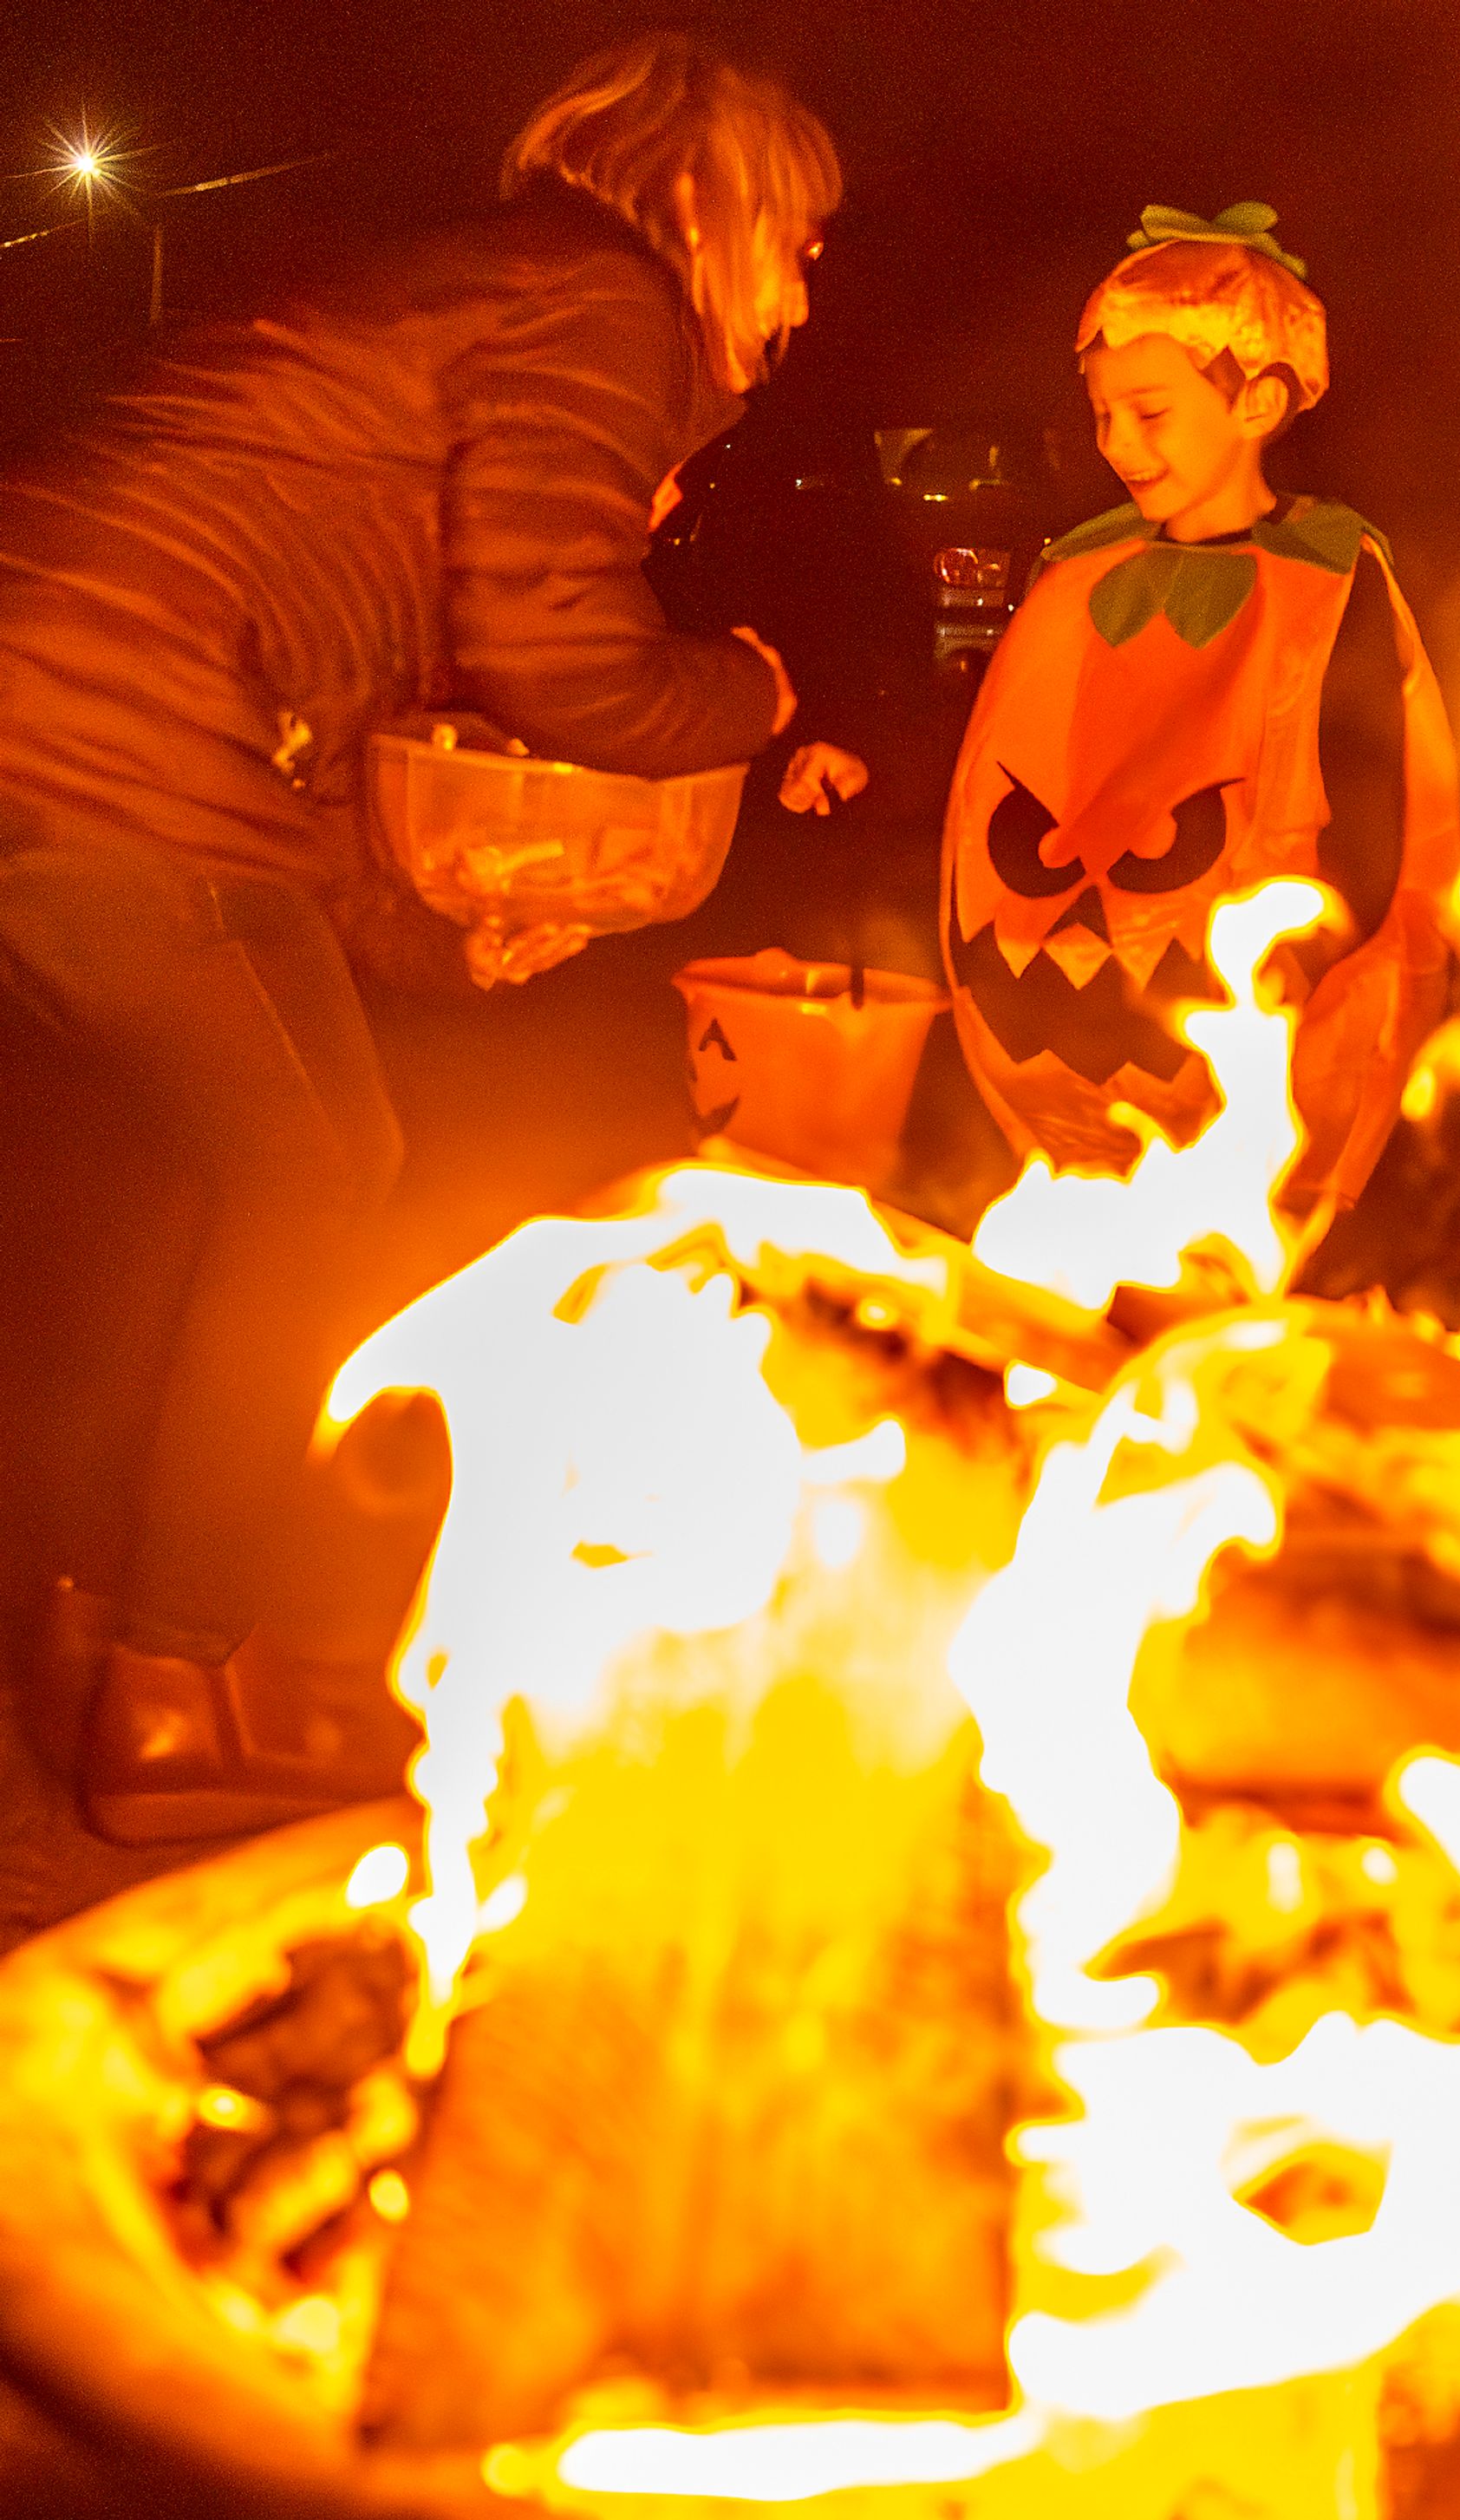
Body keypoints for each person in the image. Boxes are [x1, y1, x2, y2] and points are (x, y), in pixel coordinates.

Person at [0, 35, 837, 1843]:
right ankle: (158, 1681)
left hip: (74, 704)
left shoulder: (481, 303)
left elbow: (310, 760)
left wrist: (444, 948)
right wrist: (745, 694)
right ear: (726, 209)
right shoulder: (601, 303)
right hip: (97, 716)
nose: (805, 289)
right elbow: (558, 649)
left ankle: (88, 1637)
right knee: (317, 1163)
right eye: (805, 243)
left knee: (189, 1170)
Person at [936, 201, 1460, 1218]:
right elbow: (1000, 766)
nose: (1118, 444)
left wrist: (1296, 973)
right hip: (1063, 1062)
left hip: (1255, 1031)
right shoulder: (1076, 576)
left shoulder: (1331, 583)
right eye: (1101, 414)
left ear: (1259, 404)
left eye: (1149, 411)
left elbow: (1369, 804)